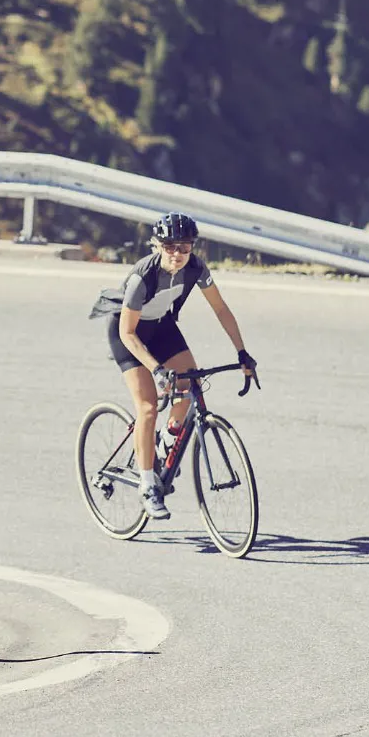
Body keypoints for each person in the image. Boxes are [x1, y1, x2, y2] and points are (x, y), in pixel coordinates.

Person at [90, 212, 257, 520]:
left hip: (161, 327)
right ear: (157, 245)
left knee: (190, 384)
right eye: (170, 247)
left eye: (184, 247)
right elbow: (127, 333)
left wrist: (242, 352)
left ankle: (165, 444)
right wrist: (156, 369)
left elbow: (221, 309)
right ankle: (148, 486)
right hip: (129, 334)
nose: (177, 254)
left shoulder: (196, 268)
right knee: (148, 408)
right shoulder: (143, 276)